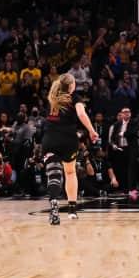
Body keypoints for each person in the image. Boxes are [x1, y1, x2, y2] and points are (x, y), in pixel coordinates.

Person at [40, 74, 99, 225]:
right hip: (68, 140)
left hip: (50, 139)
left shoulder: (52, 98)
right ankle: (72, 210)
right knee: (70, 172)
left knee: (54, 174)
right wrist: (92, 131)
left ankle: (54, 201)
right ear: (71, 86)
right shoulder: (75, 98)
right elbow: (81, 113)